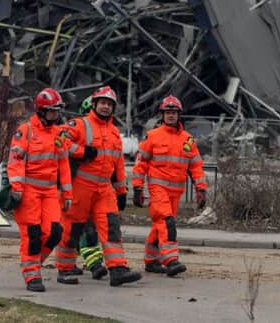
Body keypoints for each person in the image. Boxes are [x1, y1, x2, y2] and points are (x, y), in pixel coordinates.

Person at [55, 86, 142, 286]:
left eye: (109, 104)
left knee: (111, 228)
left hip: (104, 190)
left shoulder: (113, 133)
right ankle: (66, 268)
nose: (105, 107)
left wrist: (121, 191)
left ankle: (117, 268)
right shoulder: (79, 124)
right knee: (72, 229)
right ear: (94, 105)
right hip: (80, 187)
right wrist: (81, 151)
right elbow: (59, 141)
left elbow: (118, 164)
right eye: (103, 103)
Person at [131, 95, 207, 276]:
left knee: (160, 226)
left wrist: (201, 188)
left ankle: (151, 260)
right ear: (162, 115)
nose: (171, 115)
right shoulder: (153, 136)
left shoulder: (188, 140)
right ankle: (171, 260)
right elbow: (140, 164)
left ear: (179, 115)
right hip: (158, 190)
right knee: (167, 224)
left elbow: (196, 166)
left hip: (176, 192)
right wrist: (137, 188)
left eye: (174, 112)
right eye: (168, 112)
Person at [7, 88, 72, 292]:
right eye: (53, 111)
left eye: (57, 111)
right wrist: (17, 188)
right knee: (32, 233)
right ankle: (32, 275)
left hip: (50, 192)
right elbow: (15, 161)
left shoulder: (58, 133)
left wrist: (68, 193)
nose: (56, 115)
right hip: (29, 191)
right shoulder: (25, 131)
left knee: (54, 232)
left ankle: (35, 262)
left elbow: (63, 164)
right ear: (42, 111)